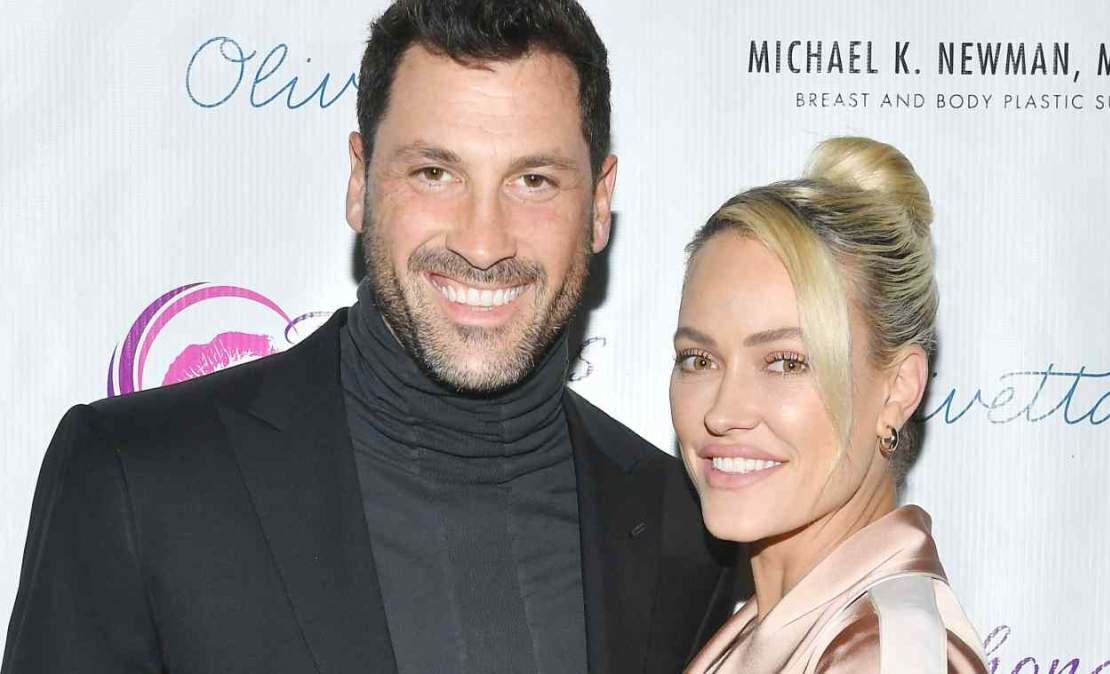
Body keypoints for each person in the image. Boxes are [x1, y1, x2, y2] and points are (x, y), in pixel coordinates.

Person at [0, 1, 736, 672]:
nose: (483, 242)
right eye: (435, 172)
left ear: (600, 203)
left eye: (533, 180)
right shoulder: (137, 477)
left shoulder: (685, 528)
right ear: (359, 182)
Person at [673, 137, 987, 673]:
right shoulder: (775, 629)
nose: (721, 414)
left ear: (898, 389)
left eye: (785, 363)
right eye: (699, 359)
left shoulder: (883, 655)